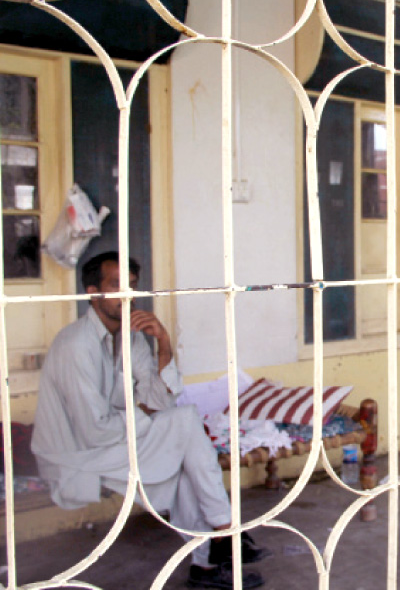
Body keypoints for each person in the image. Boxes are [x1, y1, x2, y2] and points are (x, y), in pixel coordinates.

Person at [31, 252, 268, 589]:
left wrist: (164, 346)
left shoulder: (131, 336)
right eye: (116, 286)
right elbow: (95, 430)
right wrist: (147, 417)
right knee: (184, 423)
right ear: (92, 292)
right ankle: (225, 533)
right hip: (75, 456)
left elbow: (159, 400)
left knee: (186, 455)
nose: (127, 294)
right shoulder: (74, 345)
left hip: (113, 443)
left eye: (131, 286)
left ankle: (207, 564)